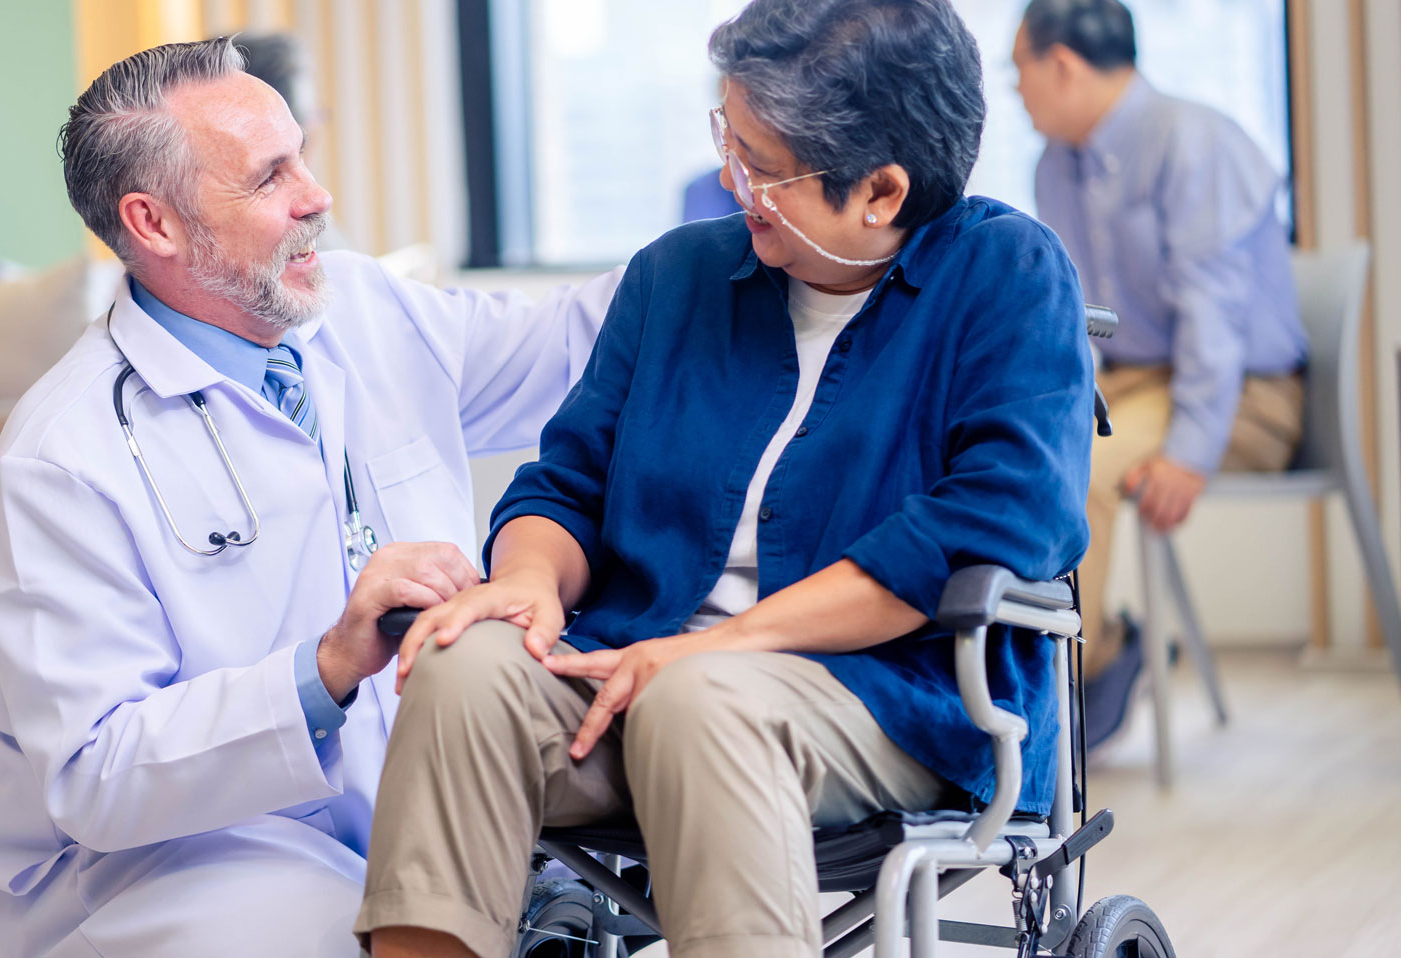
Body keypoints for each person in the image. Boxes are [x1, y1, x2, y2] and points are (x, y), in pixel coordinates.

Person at [352, 1, 1093, 955]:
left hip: (884, 703)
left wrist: (724, 648)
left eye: (763, 165)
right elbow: (565, 481)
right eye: (727, 139)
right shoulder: (676, 278)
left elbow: (998, 519)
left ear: (880, 192)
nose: (730, 180)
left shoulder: (1006, 274)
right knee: (465, 668)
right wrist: (528, 583)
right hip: (631, 671)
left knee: (700, 700)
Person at [0, 38, 622, 958]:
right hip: (172, 869)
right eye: (271, 178)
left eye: (302, 157)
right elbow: (94, 774)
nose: (319, 196)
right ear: (155, 225)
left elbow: (581, 343)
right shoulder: (63, 457)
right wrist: (330, 663)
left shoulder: (366, 309)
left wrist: (756, 204)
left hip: (398, 824)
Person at [1014, 0, 1305, 747]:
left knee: (1078, 474)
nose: (1017, 92)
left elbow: (1216, 318)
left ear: (1063, 66)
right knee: (1010, 457)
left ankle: (1057, 712)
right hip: (1140, 382)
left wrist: (1188, 451)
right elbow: (1076, 316)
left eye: (1019, 71)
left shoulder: (1191, 140)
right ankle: (1094, 656)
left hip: (1244, 395)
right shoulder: (1056, 167)